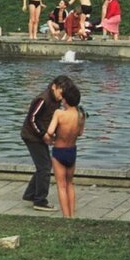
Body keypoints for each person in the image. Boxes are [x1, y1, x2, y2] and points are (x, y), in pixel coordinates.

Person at [20, 74, 74, 211]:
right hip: (32, 137)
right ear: (53, 87)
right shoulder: (43, 99)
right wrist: (43, 134)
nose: (61, 98)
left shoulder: (55, 99)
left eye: (63, 96)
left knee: (43, 165)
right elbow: (32, 118)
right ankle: (40, 201)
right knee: (44, 167)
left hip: (39, 136)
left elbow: (49, 119)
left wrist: (53, 134)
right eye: (60, 94)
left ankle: (30, 194)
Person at [43, 81, 85, 218]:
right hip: (72, 151)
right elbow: (80, 133)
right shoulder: (80, 114)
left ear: (65, 99)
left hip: (59, 151)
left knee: (61, 185)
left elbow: (49, 131)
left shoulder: (59, 114)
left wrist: (53, 137)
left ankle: (66, 217)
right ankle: (72, 215)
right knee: (70, 184)